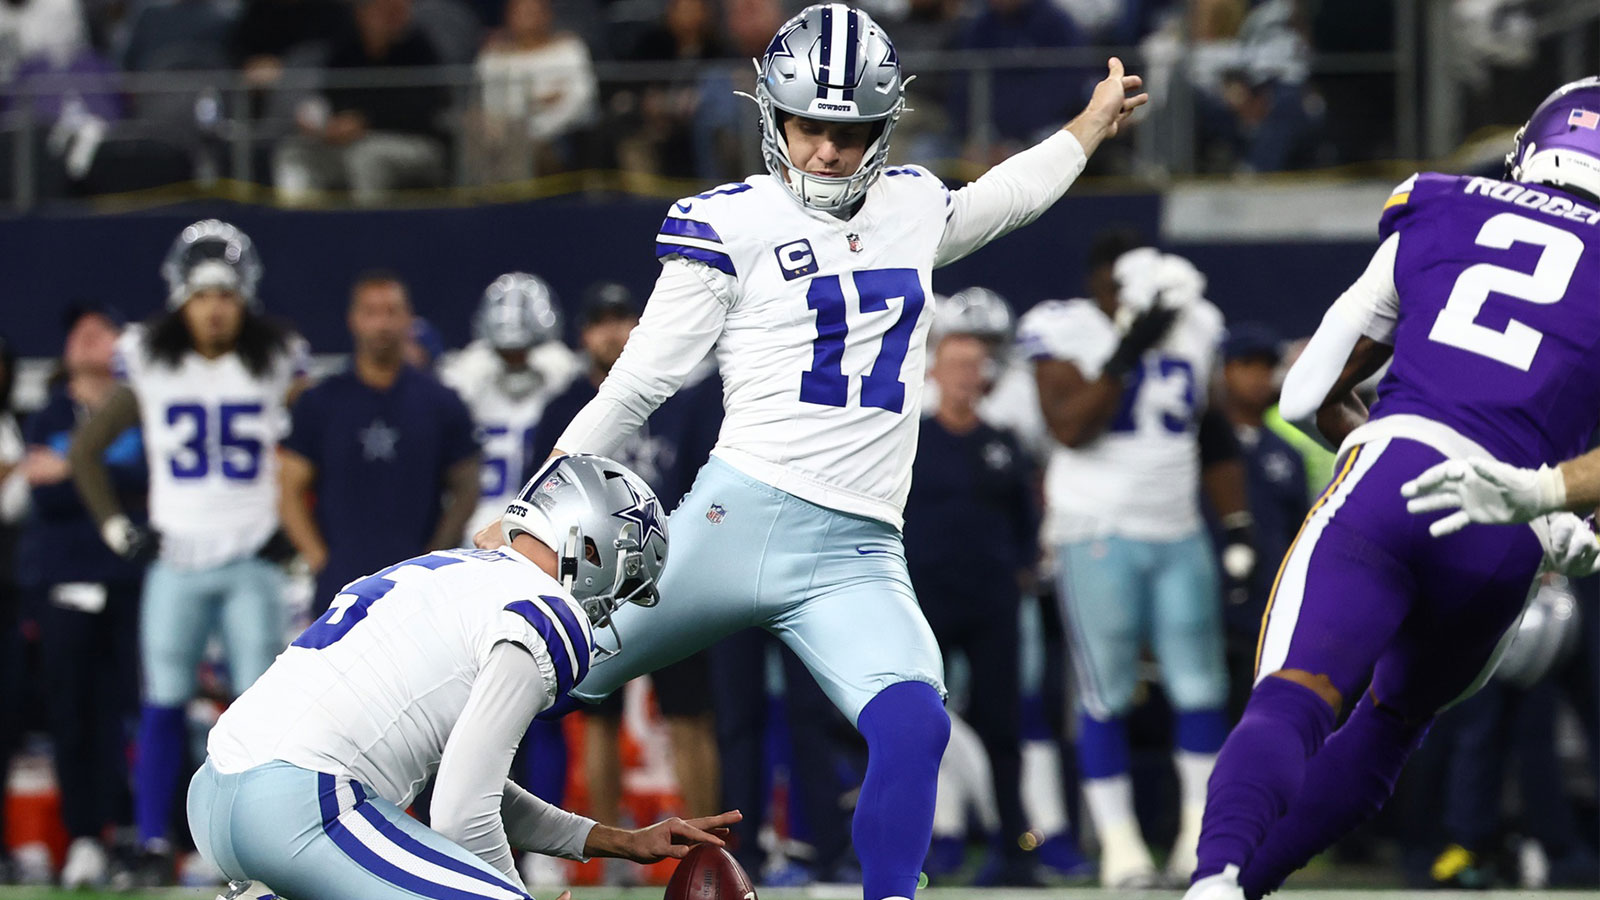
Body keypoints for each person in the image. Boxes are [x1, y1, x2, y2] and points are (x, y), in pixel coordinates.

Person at [480, 7, 1147, 899]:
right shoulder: (731, 223)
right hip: (739, 516)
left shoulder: (910, 203)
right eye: (809, 127)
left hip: (861, 550)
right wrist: (534, 509)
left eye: (849, 131)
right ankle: (362, 812)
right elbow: (638, 385)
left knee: (915, 723)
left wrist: (1087, 126)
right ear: (773, 119)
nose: (828, 151)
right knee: (526, 664)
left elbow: (1003, 196)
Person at [1181, 76, 1600, 900]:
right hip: (1503, 540)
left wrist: (1385, 440)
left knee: (1293, 700)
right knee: (1390, 729)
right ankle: (1247, 887)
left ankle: (1215, 881)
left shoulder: (1441, 204)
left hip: (1392, 477)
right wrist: (1545, 500)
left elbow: (1302, 395)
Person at [188, 453, 740, 900]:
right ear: (592, 549)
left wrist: (610, 840)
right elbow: (459, 810)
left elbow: (467, 781)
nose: (613, 600)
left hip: (218, 791)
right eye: (626, 578)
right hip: (303, 808)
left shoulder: (450, 568)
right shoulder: (548, 610)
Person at [69, 220, 308, 884]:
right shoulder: (149, 357)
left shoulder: (277, 356)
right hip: (175, 559)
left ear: (245, 297)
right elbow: (87, 449)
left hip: (254, 561)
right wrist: (118, 529)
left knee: (260, 714)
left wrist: (297, 523)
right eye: (203, 295)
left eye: (225, 295)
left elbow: (313, 441)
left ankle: (263, 842)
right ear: (180, 297)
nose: (214, 308)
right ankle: (152, 842)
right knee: (163, 702)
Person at [1018, 241, 1253, 887]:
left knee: (1201, 686)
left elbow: (1213, 432)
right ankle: (1121, 849)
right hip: (1096, 530)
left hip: (1178, 529)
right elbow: (1068, 427)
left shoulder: (1198, 324)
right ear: (1099, 282)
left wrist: (1235, 523)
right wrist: (1125, 351)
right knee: (1107, 690)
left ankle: (1197, 841)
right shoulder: (1063, 326)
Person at [529, 283, 724, 885]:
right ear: (581, 335)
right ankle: (608, 858)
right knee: (599, 715)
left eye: (624, 321)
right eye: (601, 322)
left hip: (673, 577)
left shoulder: (680, 398)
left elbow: (710, 488)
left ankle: (708, 852)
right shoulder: (562, 405)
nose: (613, 334)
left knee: (691, 715)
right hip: (591, 585)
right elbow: (538, 496)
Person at [903, 306, 1038, 885]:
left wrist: (1022, 571)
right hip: (925, 595)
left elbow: (1027, 520)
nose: (964, 375)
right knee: (916, 722)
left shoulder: (1003, 443)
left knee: (1001, 721)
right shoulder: (911, 440)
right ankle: (925, 846)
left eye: (974, 366)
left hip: (989, 598)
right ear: (933, 372)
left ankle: (1015, 848)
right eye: (955, 364)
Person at [24, 304, 146, 889]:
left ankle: (134, 832)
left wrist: (71, 466)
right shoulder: (47, 410)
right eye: (79, 333)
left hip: (129, 578)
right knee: (73, 714)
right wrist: (96, 472)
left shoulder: (141, 409)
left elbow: (146, 481)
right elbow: (41, 498)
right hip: (65, 579)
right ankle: (83, 836)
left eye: (102, 330)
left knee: (134, 710)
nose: (89, 340)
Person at [279, 271, 481, 616]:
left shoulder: (441, 402)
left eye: (391, 312)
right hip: (338, 584)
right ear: (353, 320)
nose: (382, 324)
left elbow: (467, 486)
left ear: (408, 319)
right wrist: (320, 560)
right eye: (371, 313)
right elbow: (288, 489)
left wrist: (434, 555)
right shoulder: (322, 402)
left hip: (417, 586)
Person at [440, 273, 578, 545]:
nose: (515, 359)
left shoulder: (564, 380)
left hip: (543, 533)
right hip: (473, 533)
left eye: (523, 350)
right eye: (506, 351)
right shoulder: (465, 382)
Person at [1216, 323, 1307, 713]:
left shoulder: (1286, 453)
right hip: (1208, 609)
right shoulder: (1199, 446)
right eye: (1246, 365)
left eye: (1266, 366)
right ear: (1224, 371)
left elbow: (1299, 534)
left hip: (1266, 614)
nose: (1258, 377)